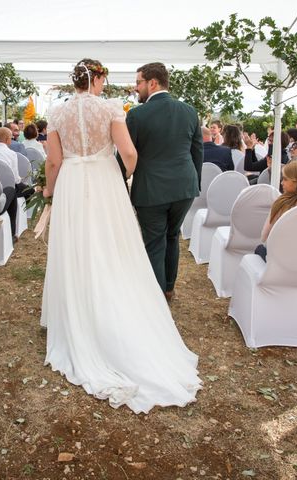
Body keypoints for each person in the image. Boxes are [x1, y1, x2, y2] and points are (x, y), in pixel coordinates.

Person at [41, 58, 201, 414]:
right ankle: (115, 298)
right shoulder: (111, 108)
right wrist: (124, 175)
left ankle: (75, 306)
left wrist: (50, 191)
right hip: (103, 180)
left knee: (74, 245)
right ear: (96, 78)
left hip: (71, 183)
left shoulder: (58, 113)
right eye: (102, 79)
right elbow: (128, 153)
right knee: (113, 245)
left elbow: (53, 161)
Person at [123, 61, 203, 301]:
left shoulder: (137, 114)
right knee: (171, 236)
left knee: (155, 242)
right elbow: (197, 151)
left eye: (138, 82)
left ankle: (156, 298)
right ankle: (168, 288)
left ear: (152, 82)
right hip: (184, 188)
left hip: (151, 190)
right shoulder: (189, 111)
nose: (136, 88)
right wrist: (193, 183)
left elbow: (127, 154)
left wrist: (119, 181)